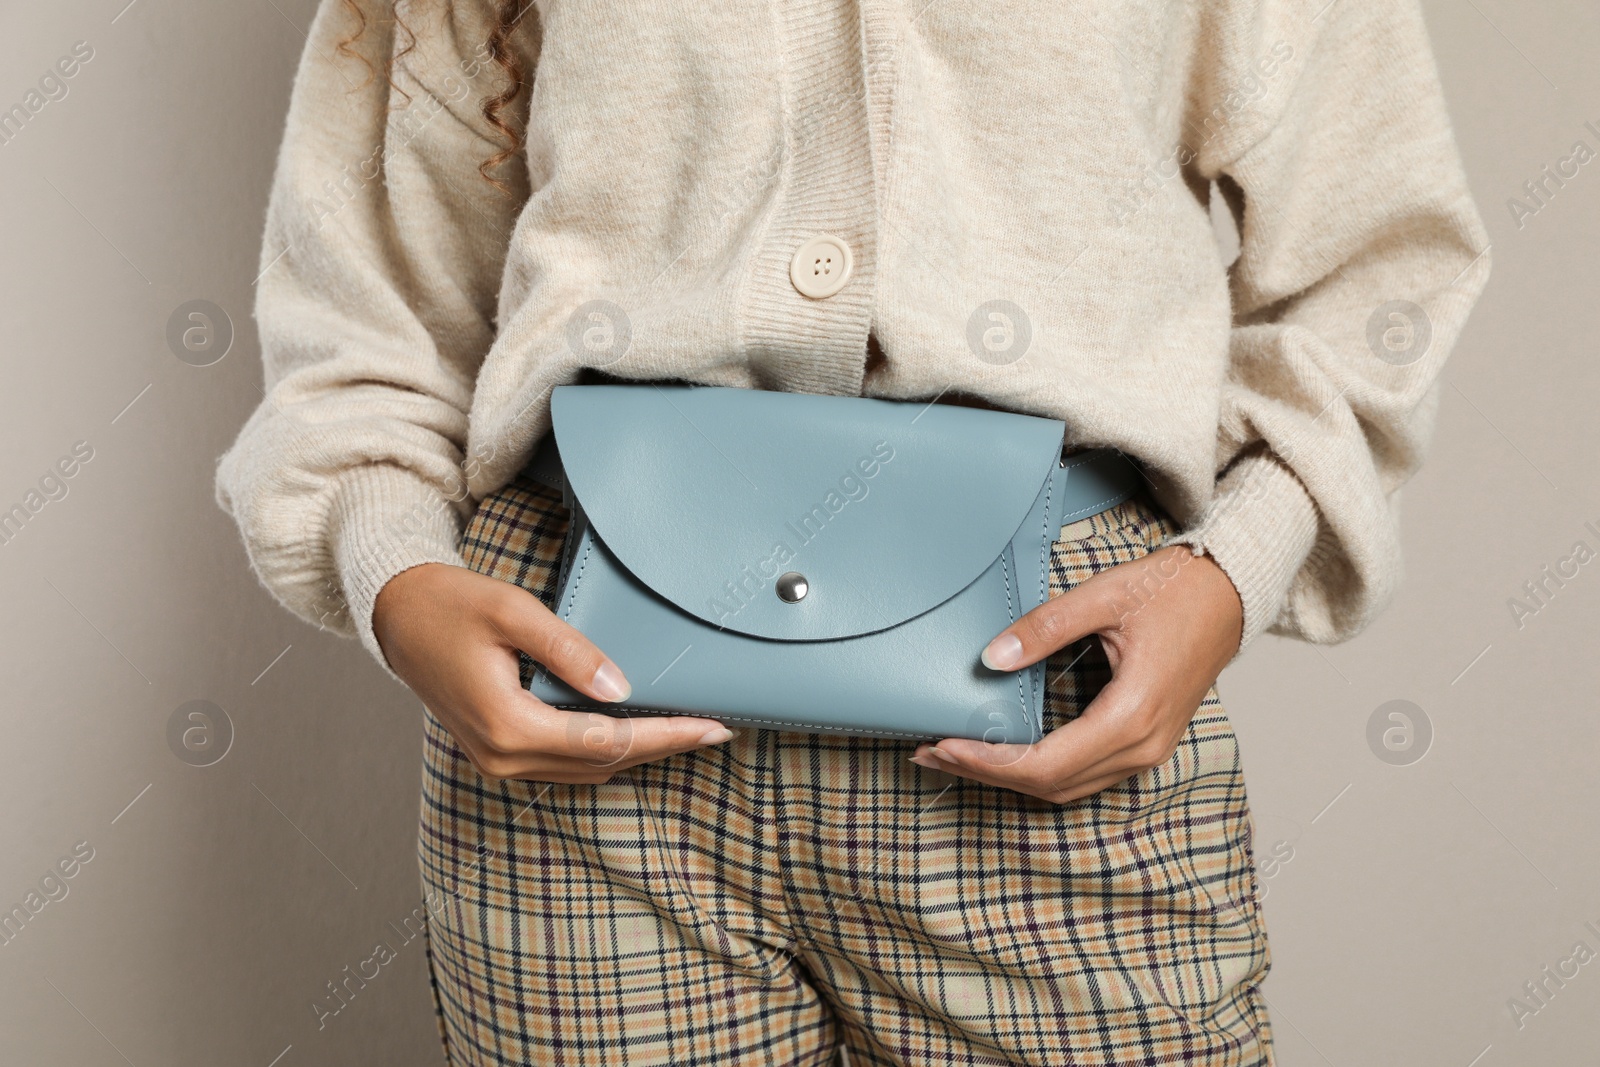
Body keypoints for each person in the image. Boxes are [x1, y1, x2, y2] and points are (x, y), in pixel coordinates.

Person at [216, 1, 1491, 1063]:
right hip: (577, 694)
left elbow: (1377, 257)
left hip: (1055, 673)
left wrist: (1236, 562)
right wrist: (396, 569)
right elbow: (373, 275)